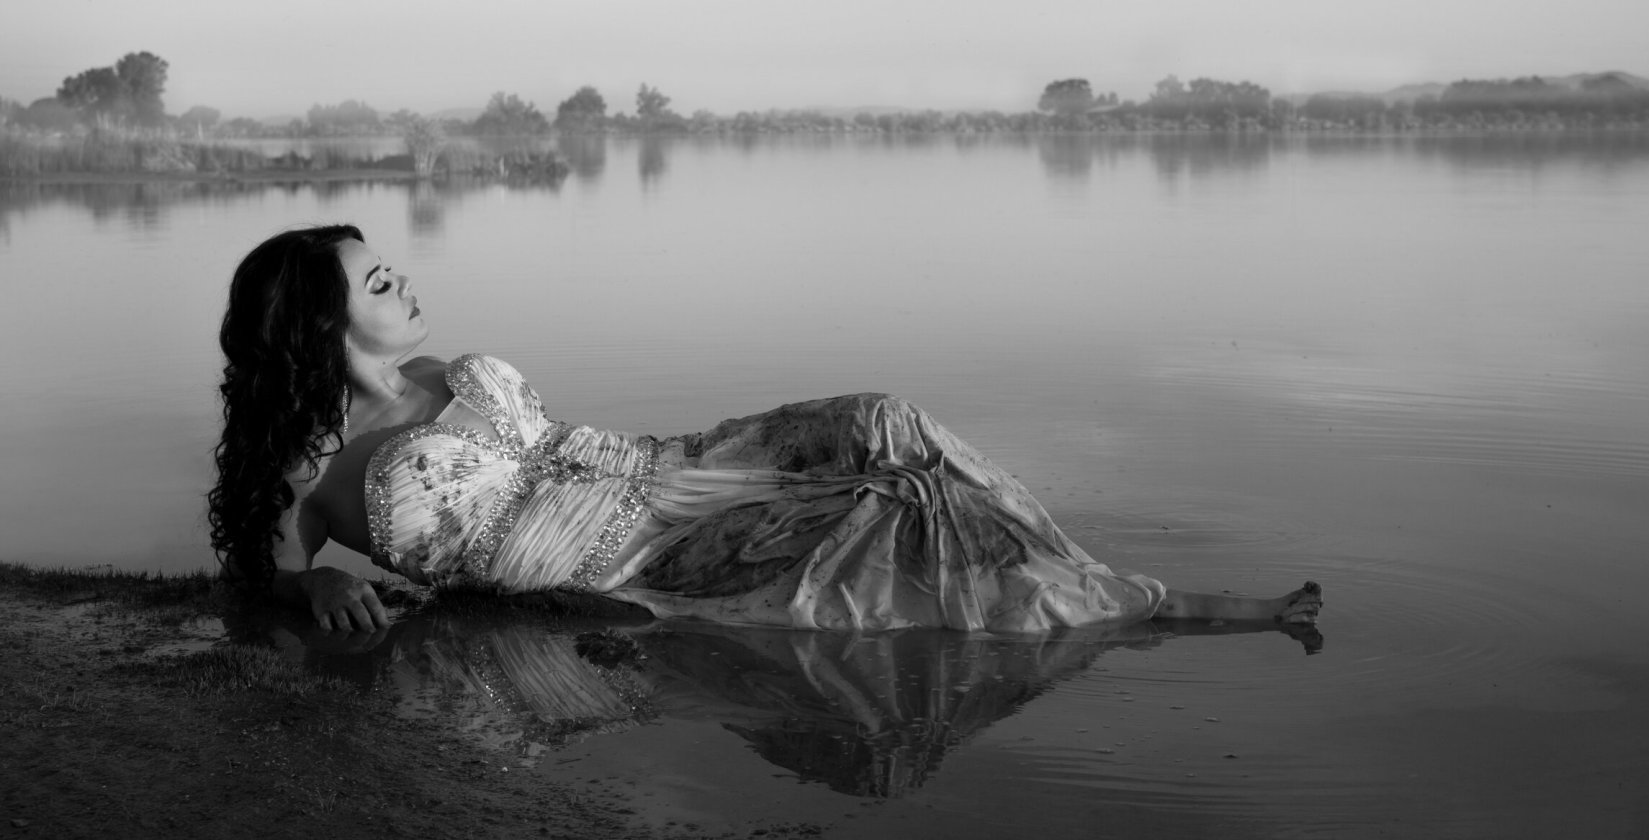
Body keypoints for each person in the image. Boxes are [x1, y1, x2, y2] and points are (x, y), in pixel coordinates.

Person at [209, 225, 1323, 635]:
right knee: (877, 520)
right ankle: (1164, 609)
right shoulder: (313, 462)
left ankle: (1093, 582)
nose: (403, 280)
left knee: (884, 425)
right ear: (318, 321)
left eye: (393, 266)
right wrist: (307, 586)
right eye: (376, 279)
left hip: (659, 472)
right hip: (619, 558)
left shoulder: (454, 368)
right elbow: (250, 567)